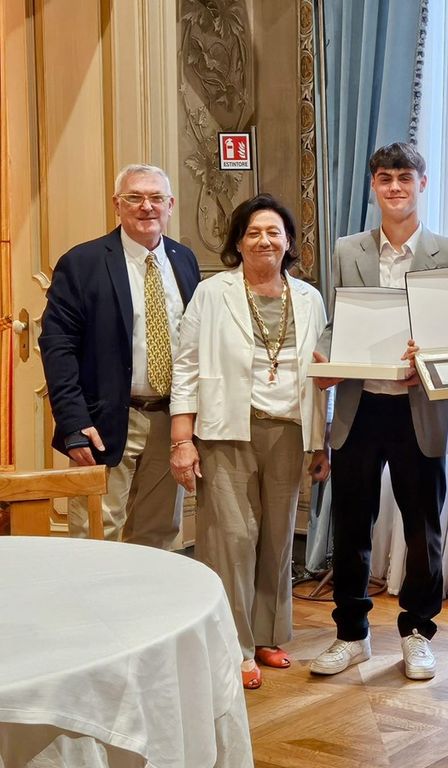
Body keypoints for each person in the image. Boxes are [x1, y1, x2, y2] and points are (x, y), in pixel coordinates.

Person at [310, 142, 448, 681]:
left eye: (405, 177)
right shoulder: (347, 250)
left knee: (423, 531)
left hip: (418, 411)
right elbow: (336, 323)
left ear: (422, 183)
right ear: (373, 186)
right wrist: (326, 358)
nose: (395, 187)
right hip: (359, 407)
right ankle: (351, 635)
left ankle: (418, 632)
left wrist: (429, 359)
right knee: (350, 525)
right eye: (385, 178)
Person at [169, 194, 330, 690]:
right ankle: (233, 645)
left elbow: (322, 375)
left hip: (290, 430)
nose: (264, 240)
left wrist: (321, 441)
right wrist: (182, 438)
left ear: (288, 241)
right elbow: (186, 364)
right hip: (226, 430)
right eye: (253, 232)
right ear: (238, 242)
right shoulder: (212, 293)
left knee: (278, 538)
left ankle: (267, 635)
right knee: (232, 540)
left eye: (274, 232)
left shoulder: (309, 298)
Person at [40, 163, 200, 547]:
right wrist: (74, 423)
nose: (146, 206)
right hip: (104, 421)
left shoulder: (184, 260)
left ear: (170, 205)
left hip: (170, 421)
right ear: (117, 204)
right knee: (96, 536)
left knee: (158, 535)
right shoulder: (83, 263)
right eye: (134, 197)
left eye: (156, 198)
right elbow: (58, 347)